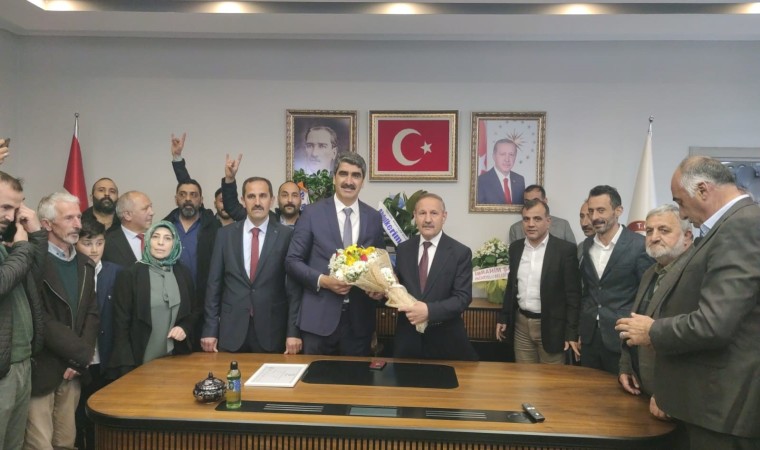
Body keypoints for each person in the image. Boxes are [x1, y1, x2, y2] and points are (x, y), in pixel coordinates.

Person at [617, 156, 760, 449]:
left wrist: (652, 331)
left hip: (724, 407)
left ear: (703, 190)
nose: (682, 212)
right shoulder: (731, 225)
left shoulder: (742, 225)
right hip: (711, 404)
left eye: (680, 202)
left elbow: (714, 324)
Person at [286, 153, 385, 356]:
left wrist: (378, 287)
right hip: (318, 321)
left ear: (362, 181)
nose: (349, 181)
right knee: (315, 376)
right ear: (334, 178)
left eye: (356, 175)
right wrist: (323, 281)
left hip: (359, 324)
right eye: (343, 174)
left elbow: (379, 262)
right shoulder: (312, 213)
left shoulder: (374, 217)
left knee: (356, 377)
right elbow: (292, 261)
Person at [26, 192, 98, 450]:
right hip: (42, 369)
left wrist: (80, 359)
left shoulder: (85, 264)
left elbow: (92, 313)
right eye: (69, 218)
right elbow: (37, 316)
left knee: (66, 442)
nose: (78, 224)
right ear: (46, 224)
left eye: (78, 217)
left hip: (72, 371)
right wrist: (80, 353)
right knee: (39, 445)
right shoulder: (32, 262)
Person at [201, 177, 302, 354]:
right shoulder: (225, 235)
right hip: (231, 329)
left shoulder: (286, 236)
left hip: (272, 330)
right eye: (251, 196)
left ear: (271, 200)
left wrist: (293, 332)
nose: (257, 202)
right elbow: (214, 285)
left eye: (262, 196)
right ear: (243, 200)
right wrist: (210, 329)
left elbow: (294, 289)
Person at [616, 205, 692, 419]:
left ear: (687, 236)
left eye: (664, 230)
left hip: (673, 400)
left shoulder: (694, 274)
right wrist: (626, 366)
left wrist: (668, 392)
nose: (654, 237)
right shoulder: (651, 272)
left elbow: (693, 341)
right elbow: (636, 322)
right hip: (642, 387)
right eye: (649, 231)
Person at [393, 193, 478, 361]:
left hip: (446, 342)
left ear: (444, 216)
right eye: (422, 213)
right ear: (415, 216)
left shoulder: (460, 252)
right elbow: (398, 290)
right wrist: (382, 292)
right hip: (408, 341)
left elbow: (462, 298)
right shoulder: (403, 250)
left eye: (434, 213)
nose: (427, 219)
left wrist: (429, 311)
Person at [578, 185, 653, 374]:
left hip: (622, 337)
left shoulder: (638, 246)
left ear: (618, 211)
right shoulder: (586, 246)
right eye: (591, 211)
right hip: (589, 337)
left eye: (601, 210)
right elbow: (588, 290)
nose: (594, 217)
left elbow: (646, 294)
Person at [496, 198, 581, 364]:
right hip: (521, 326)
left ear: (548, 221)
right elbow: (511, 286)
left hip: (552, 327)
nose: (531, 224)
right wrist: (503, 317)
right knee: (524, 376)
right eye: (526, 219)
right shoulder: (516, 248)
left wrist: (571, 332)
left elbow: (573, 296)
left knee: (551, 378)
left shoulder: (565, 250)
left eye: (537, 219)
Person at [108, 221, 196, 379]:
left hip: (176, 358)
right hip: (140, 361)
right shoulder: (131, 275)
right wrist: (125, 367)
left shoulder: (183, 273)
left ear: (175, 244)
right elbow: (121, 325)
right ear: (148, 240)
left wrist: (185, 327)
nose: (160, 243)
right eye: (155, 237)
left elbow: (194, 310)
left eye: (167, 238)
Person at [0, 171, 45, 450]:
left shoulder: (8, 244)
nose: (10, 216)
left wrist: (36, 234)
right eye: (5, 206)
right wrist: (22, 248)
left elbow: (34, 278)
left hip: (21, 361)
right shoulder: (15, 248)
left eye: (15, 208)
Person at [73, 219, 122, 450]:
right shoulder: (70, 272)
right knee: (76, 419)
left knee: (101, 420)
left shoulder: (116, 273)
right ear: (76, 243)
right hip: (77, 360)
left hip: (106, 358)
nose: (94, 249)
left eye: (99, 243)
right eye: (87, 243)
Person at [169, 132, 235, 227]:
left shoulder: (244, 224)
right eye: (221, 201)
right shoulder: (208, 222)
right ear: (215, 203)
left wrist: (230, 178)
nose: (226, 205)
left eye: (229, 202)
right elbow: (187, 185)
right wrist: (177, 157)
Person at [220, 153, 301, 226]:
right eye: (285, 195)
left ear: (301, 199)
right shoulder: (263, 217)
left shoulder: (307, 222)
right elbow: (232, 207)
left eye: (294, 195)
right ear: (276, 200)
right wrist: (230, 178)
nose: (290, 200)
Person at [508, 185, 576, 244]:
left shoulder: (563, 225)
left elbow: (572, 251)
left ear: (545, 201)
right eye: (527, 202)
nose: (531, 205)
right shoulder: (515, 229)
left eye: (535, 200)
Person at [102, 191, 154, 268]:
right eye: (145, 209)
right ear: (127, 215)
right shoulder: (107, 244)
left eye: (151, 207)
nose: (152, 213)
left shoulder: (159, 238)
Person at [476, 138, 525, 205]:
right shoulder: (481, 181)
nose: (507, 159)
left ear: (515, 157)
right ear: (494, 156)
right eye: (502, 154)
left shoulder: (519, 180)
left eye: (511, 154)